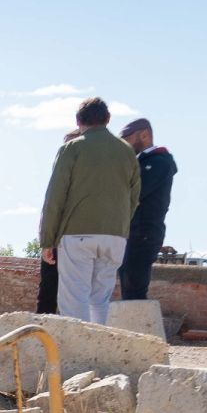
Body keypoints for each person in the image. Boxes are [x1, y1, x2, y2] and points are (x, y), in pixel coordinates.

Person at [39, 97, 140, 324]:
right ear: (107, 119)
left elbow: (55, 198)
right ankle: (97, 354)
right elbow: (133, 199)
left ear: (79, 121)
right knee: (99, 301)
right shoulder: (127, 152)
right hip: (115, 236)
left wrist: (48, 240)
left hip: (78, 234)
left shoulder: (72, 148)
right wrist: (120, 227)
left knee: (74, 300)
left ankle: (75, 356)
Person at [117, 117, 177, 302]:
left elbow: (135, 193)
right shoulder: (139, 162)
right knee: (128, 285)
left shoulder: (159, 161)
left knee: (135, 289)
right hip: (131, 232)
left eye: (127, 137)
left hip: (144, 232)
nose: (124, 143)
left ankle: (136, 328)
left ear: (144, 134)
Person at [36, 128, 82, 314]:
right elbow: (50, 207)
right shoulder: (61, 174)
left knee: (74, 294)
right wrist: (46, 240)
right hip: (56, 240)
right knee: (48, 290)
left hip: (75, 239)